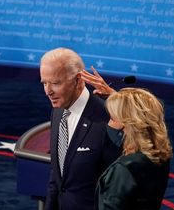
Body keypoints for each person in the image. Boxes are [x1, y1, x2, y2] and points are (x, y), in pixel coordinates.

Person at [39, 48, 120, 210]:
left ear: (78, 80)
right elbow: (57, 174)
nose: (48, 91)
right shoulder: (58, 109)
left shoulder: (107, 118)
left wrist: (118, 102)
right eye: (44, 83)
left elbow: (117, 186)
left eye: (55, 83)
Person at [96, 88, 172, 209]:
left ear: (129, 124)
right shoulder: (160, 156)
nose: (108, 125)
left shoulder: (124, 168)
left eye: (112, 118)